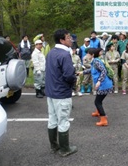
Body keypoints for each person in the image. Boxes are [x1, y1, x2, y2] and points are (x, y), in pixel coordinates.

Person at [45, 29, 77, 157]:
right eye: (68, 38)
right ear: (62, 40)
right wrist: (73, 81)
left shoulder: (51, 52)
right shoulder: (64, 55)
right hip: (61, 92)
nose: (71, 40)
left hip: (51, 91)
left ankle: (54, 146)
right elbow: (69, 75)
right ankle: (65, 149)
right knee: (63, 120)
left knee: (52, 119)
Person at [80, 48, 113, 126]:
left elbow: (103, 71)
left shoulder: (97, 61)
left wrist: (99, 81)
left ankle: (103, 119)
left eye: (88, 54)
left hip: (104, 85)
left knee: (97, 102)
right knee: (99, 101)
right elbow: (92, 70)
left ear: (93, 55)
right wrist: (82, 72)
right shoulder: (95, 61)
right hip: (103, 84)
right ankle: (98, 112)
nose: (87, 55)